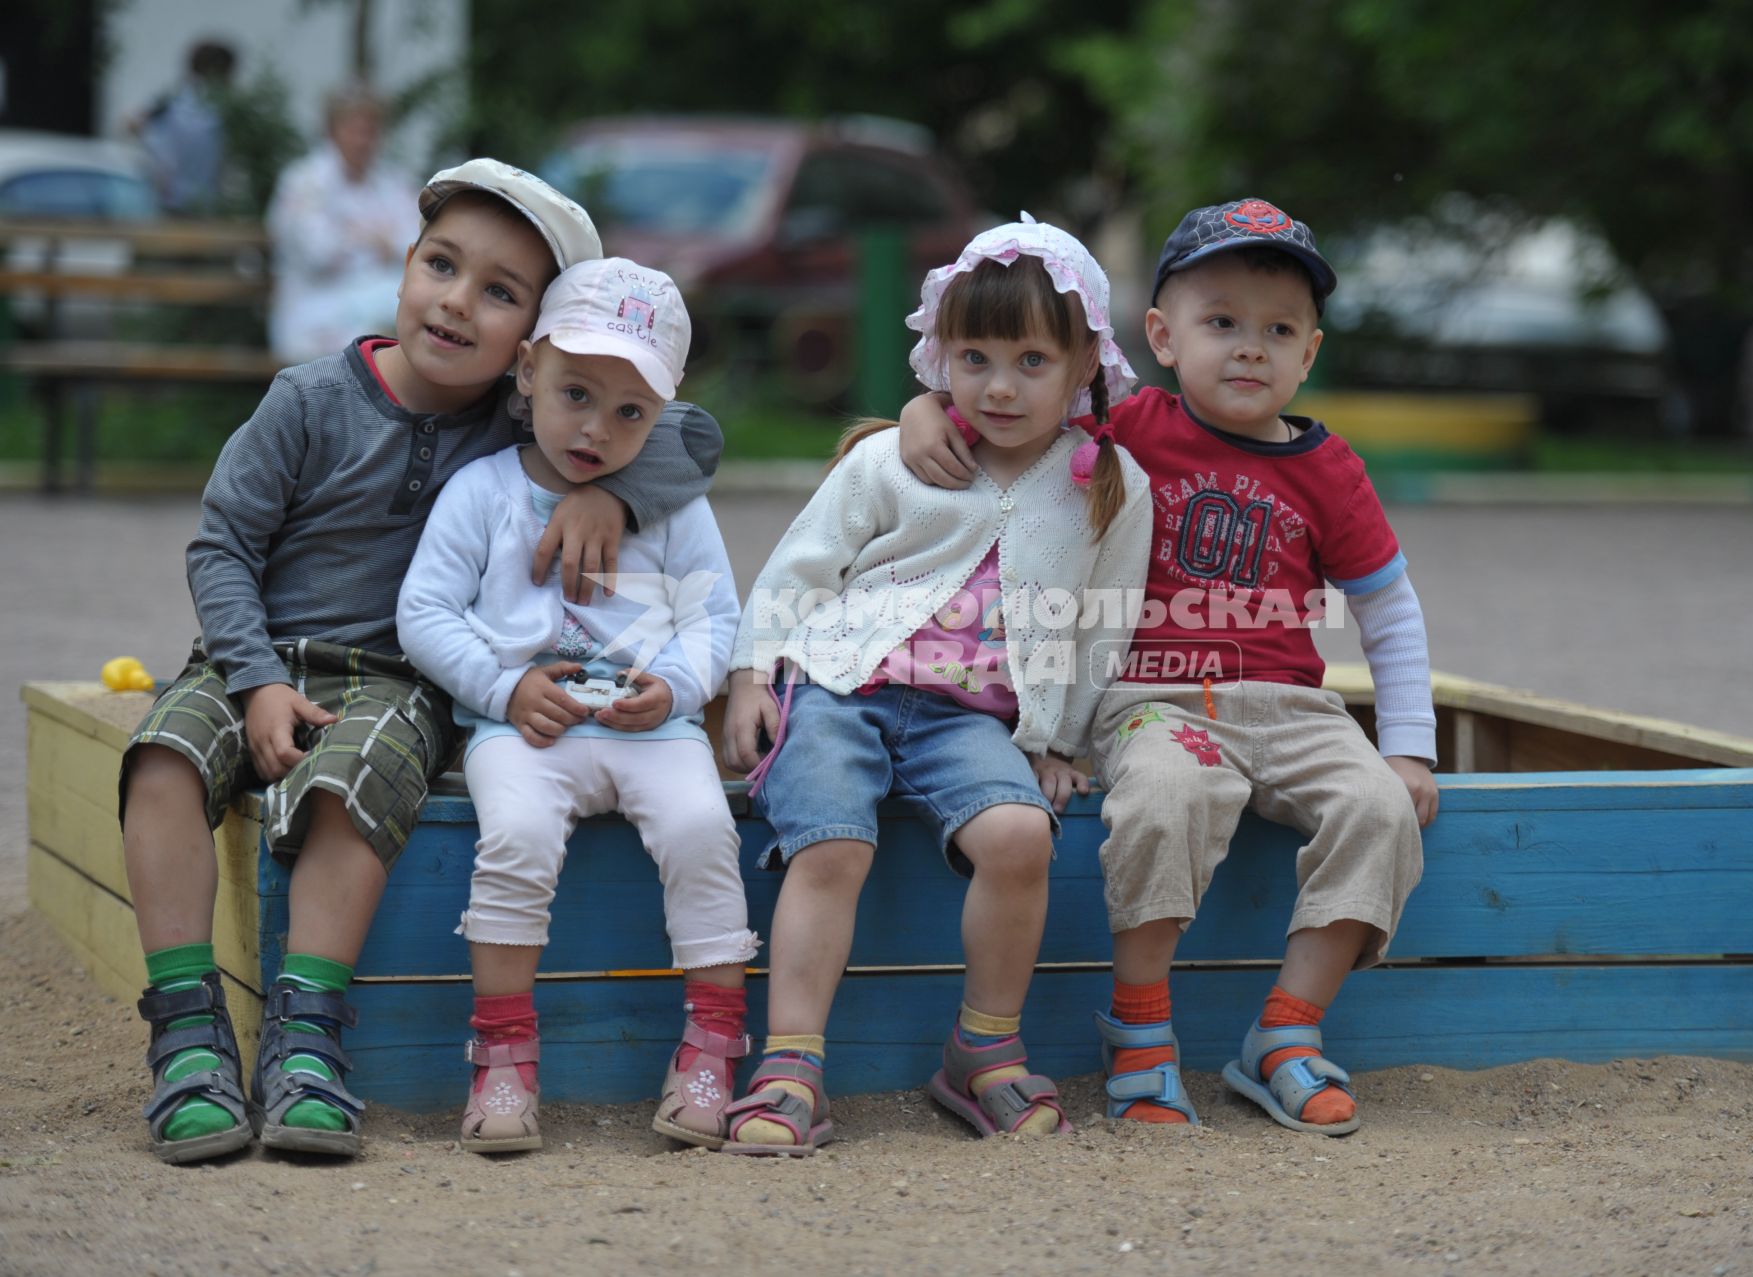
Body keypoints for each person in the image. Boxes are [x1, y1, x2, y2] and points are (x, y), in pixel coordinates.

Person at [119, 159, 725, 1165]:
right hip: (253, 658)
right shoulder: (309, 400)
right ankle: (187, 1030)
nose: (456, 302)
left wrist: (612, 494)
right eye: (442, 265)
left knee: (355, 783)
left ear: (529, 346)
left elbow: (689, 432)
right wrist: (254, 675)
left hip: (403, 679)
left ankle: (308, 1039)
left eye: (498, 291)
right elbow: (221, 543)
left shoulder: (520, 418)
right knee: (163, 757)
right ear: (403, 264)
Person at [898, 199, 1439, 1135]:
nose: (1248, 349)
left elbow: (1388, 609)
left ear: (1310, 352)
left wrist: (1411, 747)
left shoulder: (1331, 470)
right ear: (1162, 335)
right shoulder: (1131, 426)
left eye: (1277, 330)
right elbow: (1009, 391)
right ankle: (1142, 1031)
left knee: (1381, 812)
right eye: (1220, 322)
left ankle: (1286, 1033)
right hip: (1156, 701)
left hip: (1296, 709)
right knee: (1161, 799)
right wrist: (919, 410)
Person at [720, 217, 1152, 1155]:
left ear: (1086, 364)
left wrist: (1060, 740)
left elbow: (1100, 628)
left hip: (972, 720)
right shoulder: (894, 459)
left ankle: (982, 1047)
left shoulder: (1109, 485)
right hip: (842, 687)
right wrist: (754, 671)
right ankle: (791, 1062)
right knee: (830, 841)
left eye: (1033, 359)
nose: (1000, 385)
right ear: (940, 354)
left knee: (1018, 834)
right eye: (976, 356)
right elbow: (801, 568)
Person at [396, 258, 755, 1153]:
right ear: (527, 374)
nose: (596, 429)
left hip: (653, 725)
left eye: (631, 412)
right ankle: (504, 1054)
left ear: (662, 416)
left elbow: (716, 617)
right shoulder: (481, 493)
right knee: (513, 839)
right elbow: (424, 613)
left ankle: (712, 1045)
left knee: (705, 830)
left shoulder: (672, 510)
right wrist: (503, 684)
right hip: (521, 727)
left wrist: (674, 684)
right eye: (575, 394)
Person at [266, 84, 421, 362]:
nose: (363, 139)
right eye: (354, 128)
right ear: (332, 130)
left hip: (376, 306)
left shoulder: (392, 182)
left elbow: (416, 246)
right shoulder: (304, 182)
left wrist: (357, 237)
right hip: (316, 311)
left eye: (371, 130)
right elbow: (319, 254)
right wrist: (378, 243)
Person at [128, 40, 236, 213]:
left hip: (172, 201)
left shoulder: (172, 103)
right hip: (200, 204)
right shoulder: (221, 108)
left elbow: (131, 124)